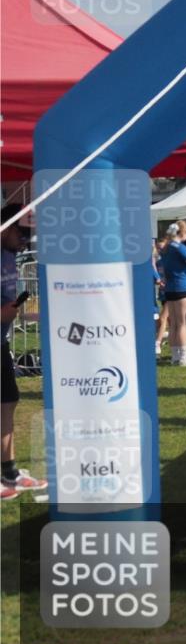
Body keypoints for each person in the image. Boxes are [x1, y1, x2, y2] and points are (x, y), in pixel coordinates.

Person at [1, 204, 48, 500]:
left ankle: (9, 471)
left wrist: (13, 311)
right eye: (23, 233)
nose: (26, 241)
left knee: (8, 403)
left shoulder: (11, 257)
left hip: (1, 342)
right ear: (5, 226)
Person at [160, 221, 186, 365]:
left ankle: (175, 356)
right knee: (182, 324)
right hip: (182, 287)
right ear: (184, 233)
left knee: (174, 323)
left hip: (170, 288)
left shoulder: (166, 247)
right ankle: (183, 356)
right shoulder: (180, 247)